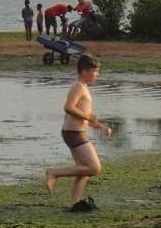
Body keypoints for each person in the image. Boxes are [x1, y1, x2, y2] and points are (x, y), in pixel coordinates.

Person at [45, 54, 112, 211]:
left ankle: (75, 203)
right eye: (95, 71)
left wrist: (100, 126)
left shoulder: (84, 87)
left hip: (75, 132)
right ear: (84, 71)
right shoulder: (78, 86)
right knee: (94, 168)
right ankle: (54, 173)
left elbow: (82, 117)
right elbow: (68, 107)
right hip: (74, 134)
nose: (98, 74)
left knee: (84, 170)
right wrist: (88, 116)